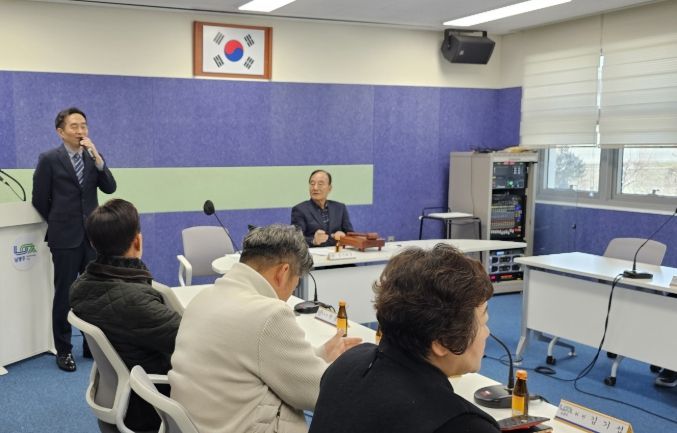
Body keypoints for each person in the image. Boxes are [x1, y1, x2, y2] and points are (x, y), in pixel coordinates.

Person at [170, 224, 362, 433]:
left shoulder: (204, 298)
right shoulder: (269, 314)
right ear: (283, 272)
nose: (291, 293)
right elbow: (319, 393)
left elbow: (264, 360)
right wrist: (348, 367)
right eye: (296, 283)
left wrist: (322, 353)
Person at [309, 244, 501, 433]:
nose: (487, 332)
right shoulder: (463, 424)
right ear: (442, 341)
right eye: (483, 322)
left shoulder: (345, 364)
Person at [70, 198, 182, 432]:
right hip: (150, 403)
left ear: (93, 243)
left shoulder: (80, 288)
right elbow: (191, 341)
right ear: (137, 241)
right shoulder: (136, 302)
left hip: (121, 392)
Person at [32, 107, 117, 372]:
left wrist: (99, 159)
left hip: (93, 237)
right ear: (61, 132)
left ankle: (92, 346)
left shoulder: (93, 157)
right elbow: (39, 199)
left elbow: (110, 187)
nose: (81, 131)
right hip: (64, 237)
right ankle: (64, 350)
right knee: (65, 294)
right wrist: (59, 221)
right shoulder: (49, 159)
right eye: (74, 126)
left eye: (84, 126)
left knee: (94, 293)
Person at [291, 169, 354, 247]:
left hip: (337, 252)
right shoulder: (300, 210)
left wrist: (344, 237)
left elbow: (351, 235)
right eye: (312, 184)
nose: (315, 188)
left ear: (329, 188)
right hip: (313, 253)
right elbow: (295, 240)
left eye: (320, 184)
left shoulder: (340, 208)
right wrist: (313, 241)